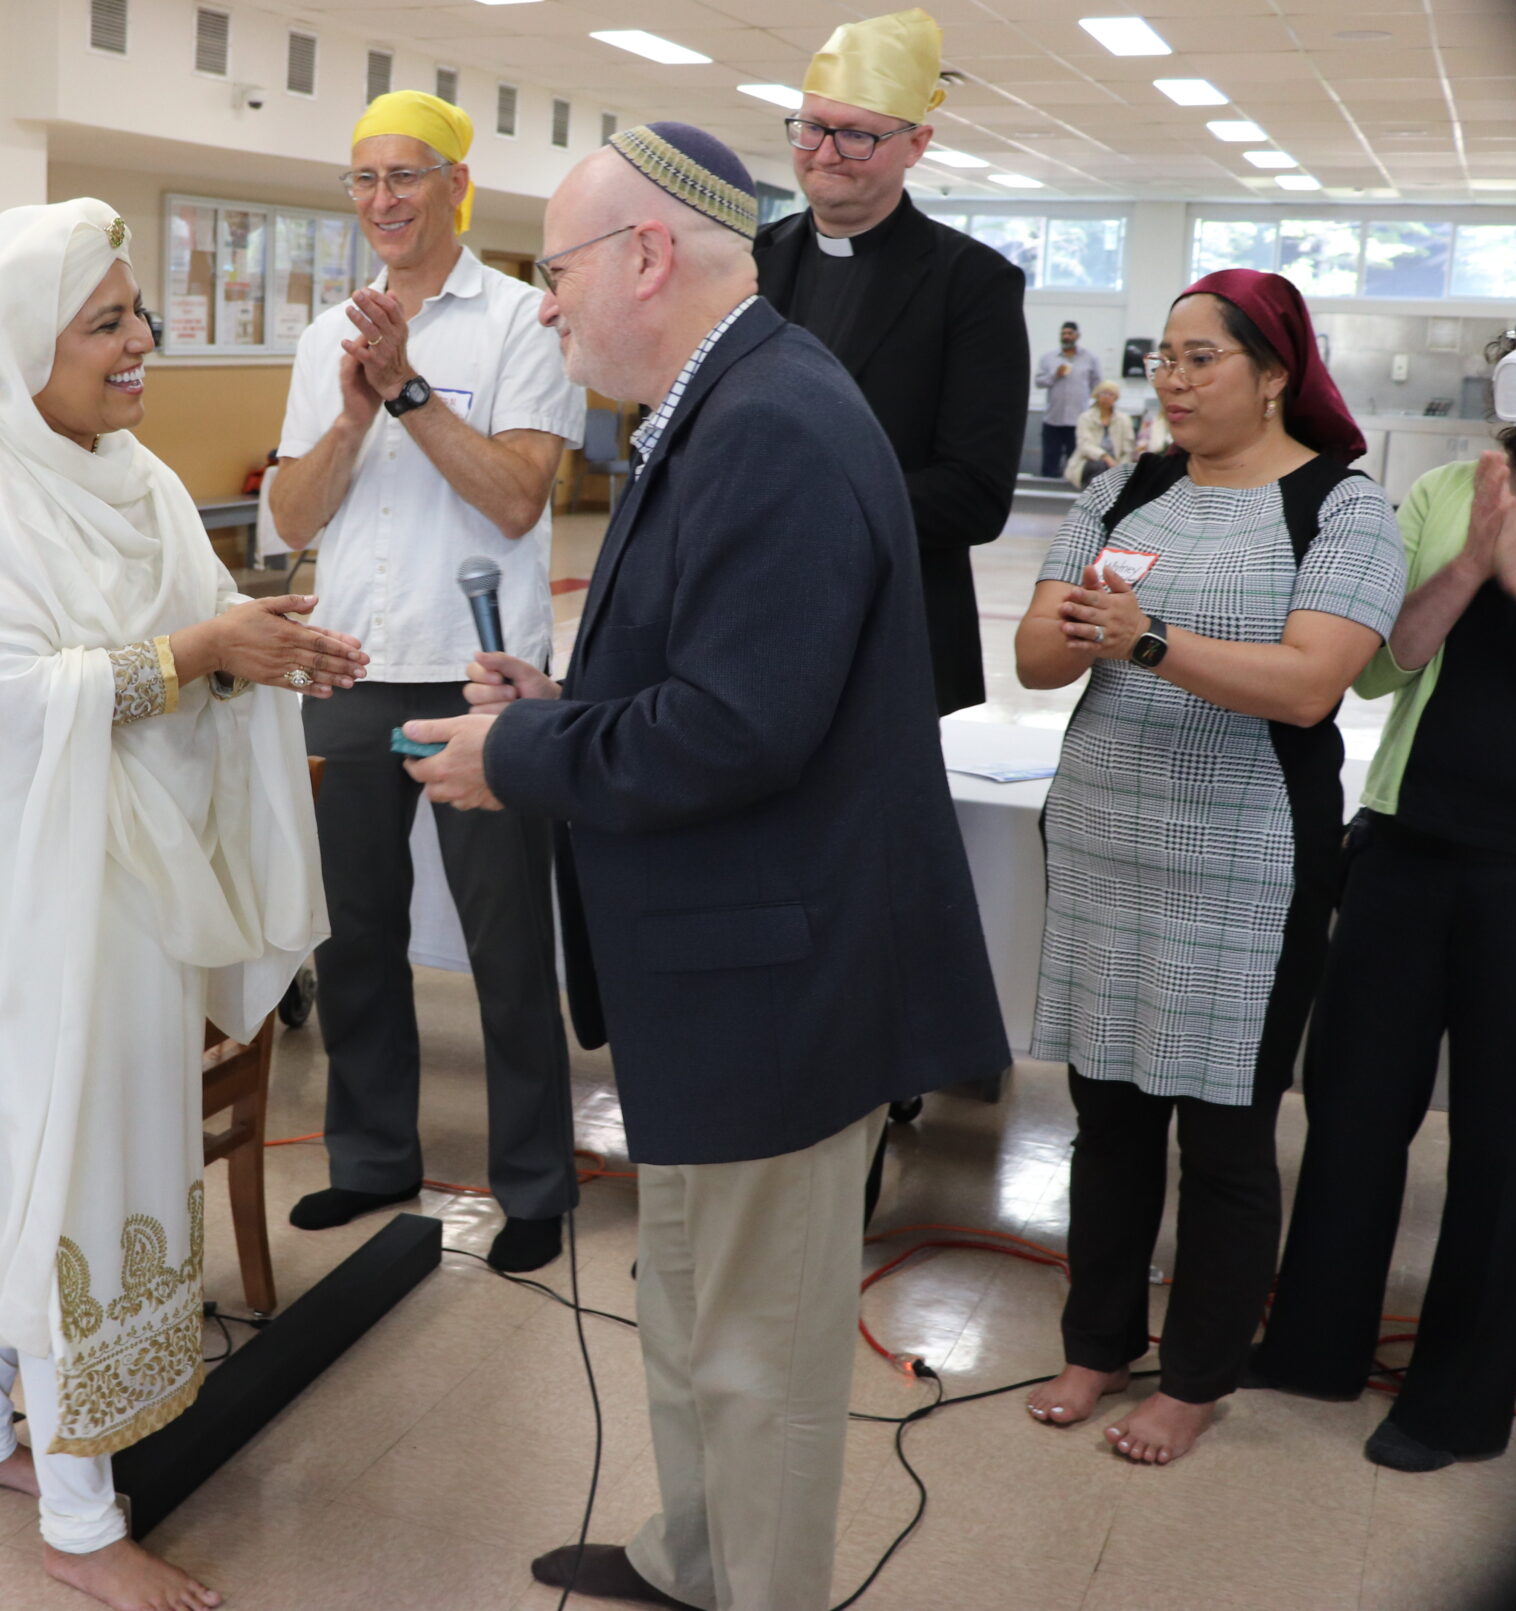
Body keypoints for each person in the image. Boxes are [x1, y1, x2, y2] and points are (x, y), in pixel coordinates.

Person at [403, 123, 1009, 1611]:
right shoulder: (727, 399)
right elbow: (725, 674)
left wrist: (523, 757)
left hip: (773, 981)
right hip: (718, 967)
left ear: (646, 257)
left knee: (757, 1351)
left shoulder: (771, 422)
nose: (544, 304)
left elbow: (741, 728)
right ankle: (695, 1558)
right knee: (687, 1305)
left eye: (555, 273)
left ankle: (757, 1587)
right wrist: (565, 707)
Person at [0, 198, 350, 1611]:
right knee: (65, 1164)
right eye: (106, 322)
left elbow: (186, 636)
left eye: (138, 312)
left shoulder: (130, 473)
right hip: (26, 895)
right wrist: (201, 651)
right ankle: (82, 1527)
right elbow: (3, 699)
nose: (142, 341)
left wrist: (263, 652)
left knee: (75, 1156)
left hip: (128, 880)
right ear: (23, 344)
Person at [1013, 270, 1407, 1465]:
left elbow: (1309, 685)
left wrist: (1147, 640)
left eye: (1200, 359)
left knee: (1224, 1135)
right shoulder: (1123, 487)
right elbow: (1035, 656)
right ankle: (1095, 1344)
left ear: (1273, 373)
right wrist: (1080, 633)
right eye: (1162, 361)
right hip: (1104, 837)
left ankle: (1196, 1378)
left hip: (1247, 857)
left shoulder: (1341, 509)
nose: (1172, 383)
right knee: (1107, 1117)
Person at [1251, 256, 1516, 1473]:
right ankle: (1312, 1347)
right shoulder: (1446, 490)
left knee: (1508, 1144)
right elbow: (1378, 667)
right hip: (1408, 849)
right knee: (1353, 1109)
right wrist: (1469, 563)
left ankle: (1455, 1404)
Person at [265, 90, 585, 1272]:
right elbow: (289, 516)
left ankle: (534, 1182)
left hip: (479, 682)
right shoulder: (325, 337)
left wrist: (407, 389)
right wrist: (352, 418)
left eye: (405, 175)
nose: (382, 199)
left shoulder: (521, 321)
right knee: (353, 938)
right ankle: (369, 1158)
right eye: (364, 178)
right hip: (347, 670)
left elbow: (517, 498)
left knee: (507, 947)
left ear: (456, 185)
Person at [754, 8, 1029, 715]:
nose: (825, 153)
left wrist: (800, 506)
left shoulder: (971, 283)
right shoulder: (746, 264)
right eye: (811, 127)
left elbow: (974, 495)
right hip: (742, 622)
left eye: (857, 134)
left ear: (916, 144)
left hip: (887, 633)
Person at [1038, 321, 1105, 482]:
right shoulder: (1048, 357)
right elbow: (1038, 382)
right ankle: (1047, 492)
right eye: (1063, 333)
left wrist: (1095, 409)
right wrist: (1055, 375)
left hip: (1078, 420)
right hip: (1053, 419)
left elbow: (1098, 386)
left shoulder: (1090, 358)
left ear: (1077, 335)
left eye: (1069, 333)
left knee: (1076, 463)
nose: (1066, 337)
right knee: (1050, 460)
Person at [1067, 380, 1137, 488]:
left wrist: (1120, 468)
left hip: (1117, 463)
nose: (1106, 397)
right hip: (1088, 461)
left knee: (1115, 473)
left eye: (1110, 394)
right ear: (1097, 395)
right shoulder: (1085, 417)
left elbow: (1128, 449)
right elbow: (1085, 445)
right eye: (1103, 393)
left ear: (1116, 398)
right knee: (1100, 467)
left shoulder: (1124, 420)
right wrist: (1105, 457)